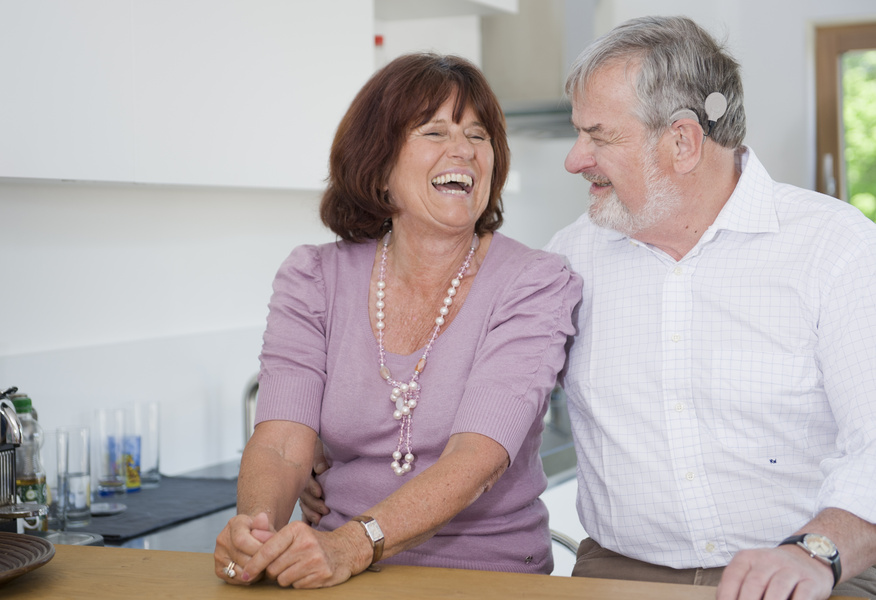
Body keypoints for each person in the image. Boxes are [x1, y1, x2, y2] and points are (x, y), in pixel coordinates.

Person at [213, 53, 581, 589]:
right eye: (435, 131)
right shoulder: (314, 277)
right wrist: (255, 531)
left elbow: (477, 456)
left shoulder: (535, 282)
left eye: (478, 137)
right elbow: (280, 442)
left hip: (489, 577)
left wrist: (350, 546)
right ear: (379, 162)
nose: (464, 151)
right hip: (345, 577)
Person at [545, 15, 876, 600]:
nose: (575, 160)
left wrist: (813, 554)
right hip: (619, 574)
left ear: (682, 141)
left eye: (599, 136)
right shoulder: (571, 257)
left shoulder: (836, 247)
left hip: (812, 567)